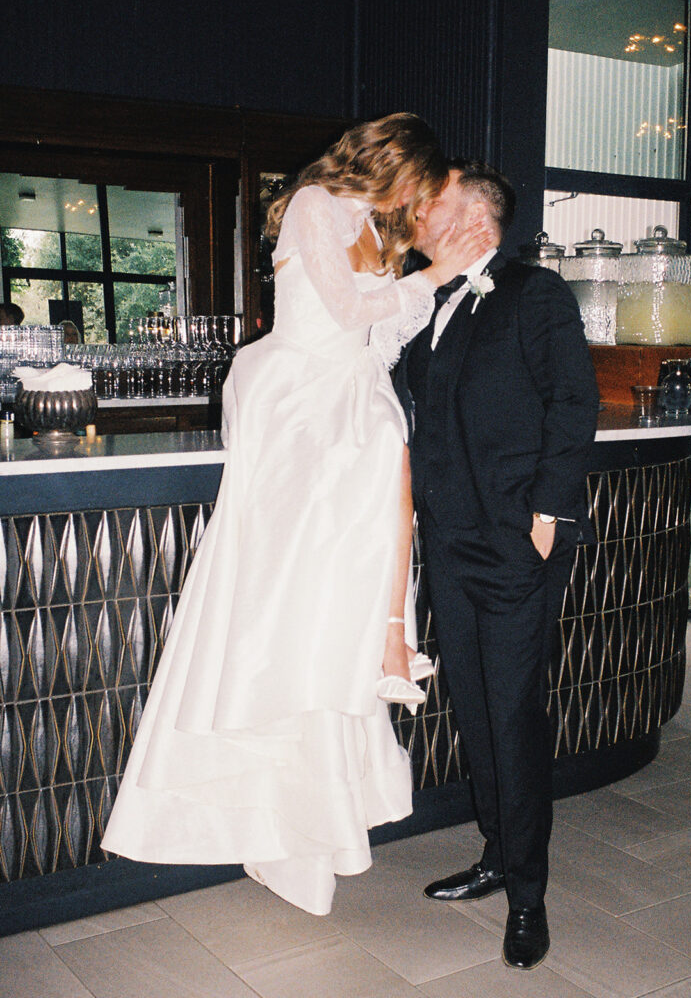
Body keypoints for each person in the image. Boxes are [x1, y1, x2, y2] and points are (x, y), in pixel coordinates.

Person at [102, 114, 491, 915]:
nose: (418, 206)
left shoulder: (376, 233)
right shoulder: (315, 202)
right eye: (417, 188)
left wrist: (423, 280)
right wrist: (429, 274)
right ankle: (269, 819)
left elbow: (377, 345)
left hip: (350, 417)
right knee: (280, 607)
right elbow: (346, 314)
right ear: (391, 166)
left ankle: (309, 824)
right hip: (303, 419)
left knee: (328, 617)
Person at [394, 161, 598, 969]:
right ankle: (493, 853)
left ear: (477, 220)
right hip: (447, 542)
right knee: (476, 709)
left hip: (515, 542)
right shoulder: (430, 299)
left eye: (431, 207)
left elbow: (572, 402)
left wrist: (547, 518)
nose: (417, 216)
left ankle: (528, 896)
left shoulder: (533, 292)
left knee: (513, 715)